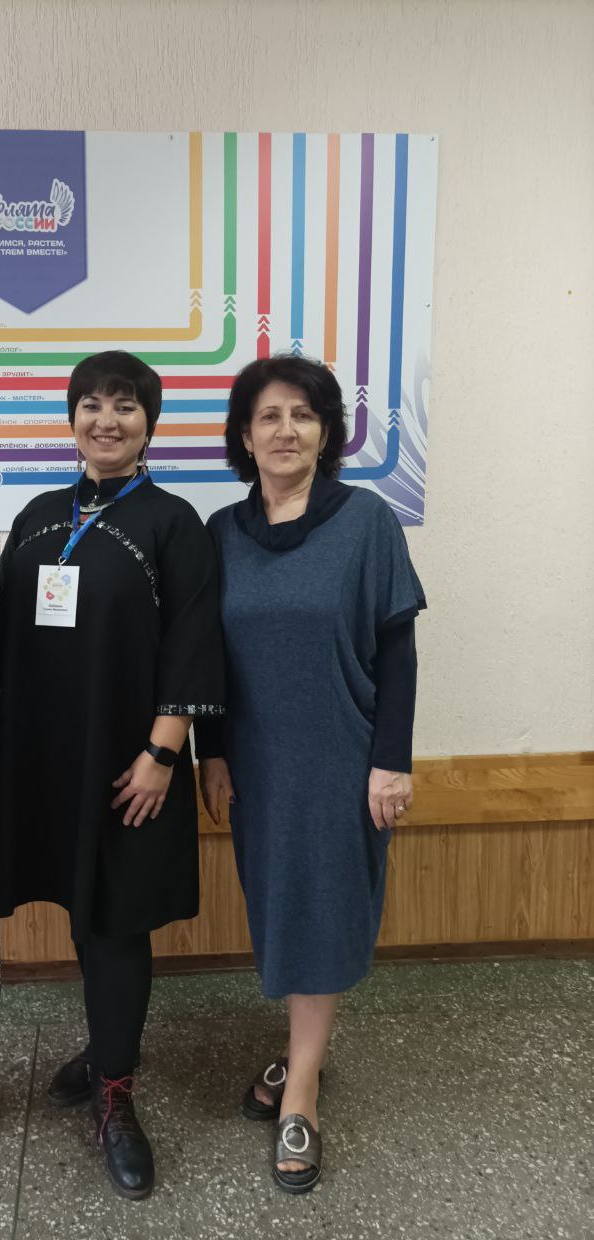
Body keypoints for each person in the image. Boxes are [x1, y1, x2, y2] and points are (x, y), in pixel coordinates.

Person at [0, 350, 224, 1200]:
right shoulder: (37, 516)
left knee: (117, 920)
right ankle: (106, 1045)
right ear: (71, 420)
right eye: (90, 404)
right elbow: (6, 636)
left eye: (124, 405)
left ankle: (116, 1095)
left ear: (148, 423)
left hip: (132, 765)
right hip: (46, 758)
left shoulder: (174, 522)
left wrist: (162, 754)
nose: (106, 420)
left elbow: (195, 642)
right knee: (79, 904)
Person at [197, 354, 425, 1194]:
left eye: (303, 414)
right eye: (268, 416)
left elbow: (396, 650)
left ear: (326, 433)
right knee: (281, 908)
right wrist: (210, 752)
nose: (285, 429)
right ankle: (301, 1052)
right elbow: (203, 658)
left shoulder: (365, 521)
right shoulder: (221, 533)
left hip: (341, 758)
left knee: (325, 913)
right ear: (244, 436)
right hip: (256, 763)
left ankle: (301, 1090)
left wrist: (390, 761)